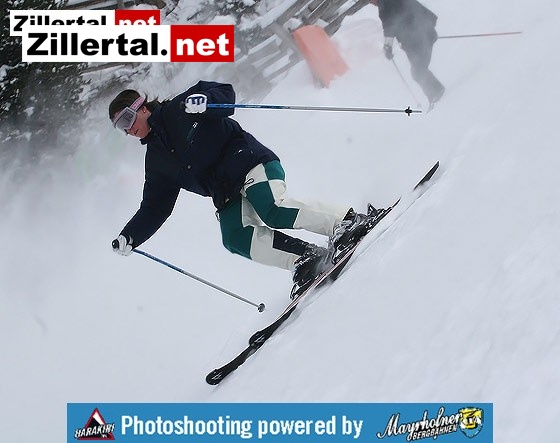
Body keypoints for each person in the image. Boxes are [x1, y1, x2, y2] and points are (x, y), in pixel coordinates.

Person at [109, 81, 367, 295]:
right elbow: (155, 207)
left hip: (249, 163)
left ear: (143, 107)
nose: (128, 129)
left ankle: (345, 221)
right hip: (226, 193)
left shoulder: (181, 107)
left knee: (272, 209)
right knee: (235, 237)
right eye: (121, 127)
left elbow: (226, 95)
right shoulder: (156, 162)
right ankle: (306, 257)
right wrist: (130, 236)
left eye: (127, 119)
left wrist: (206, 100)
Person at [371, 0, 445, 106]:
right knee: (418, 70)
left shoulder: (384, 4)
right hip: (422, 32)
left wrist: (388, 46)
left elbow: (389, 25)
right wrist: (429, 27)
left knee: (418, 71)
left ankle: (437, 93)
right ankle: (435, 94)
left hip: (415, 38)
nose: (370, 2)